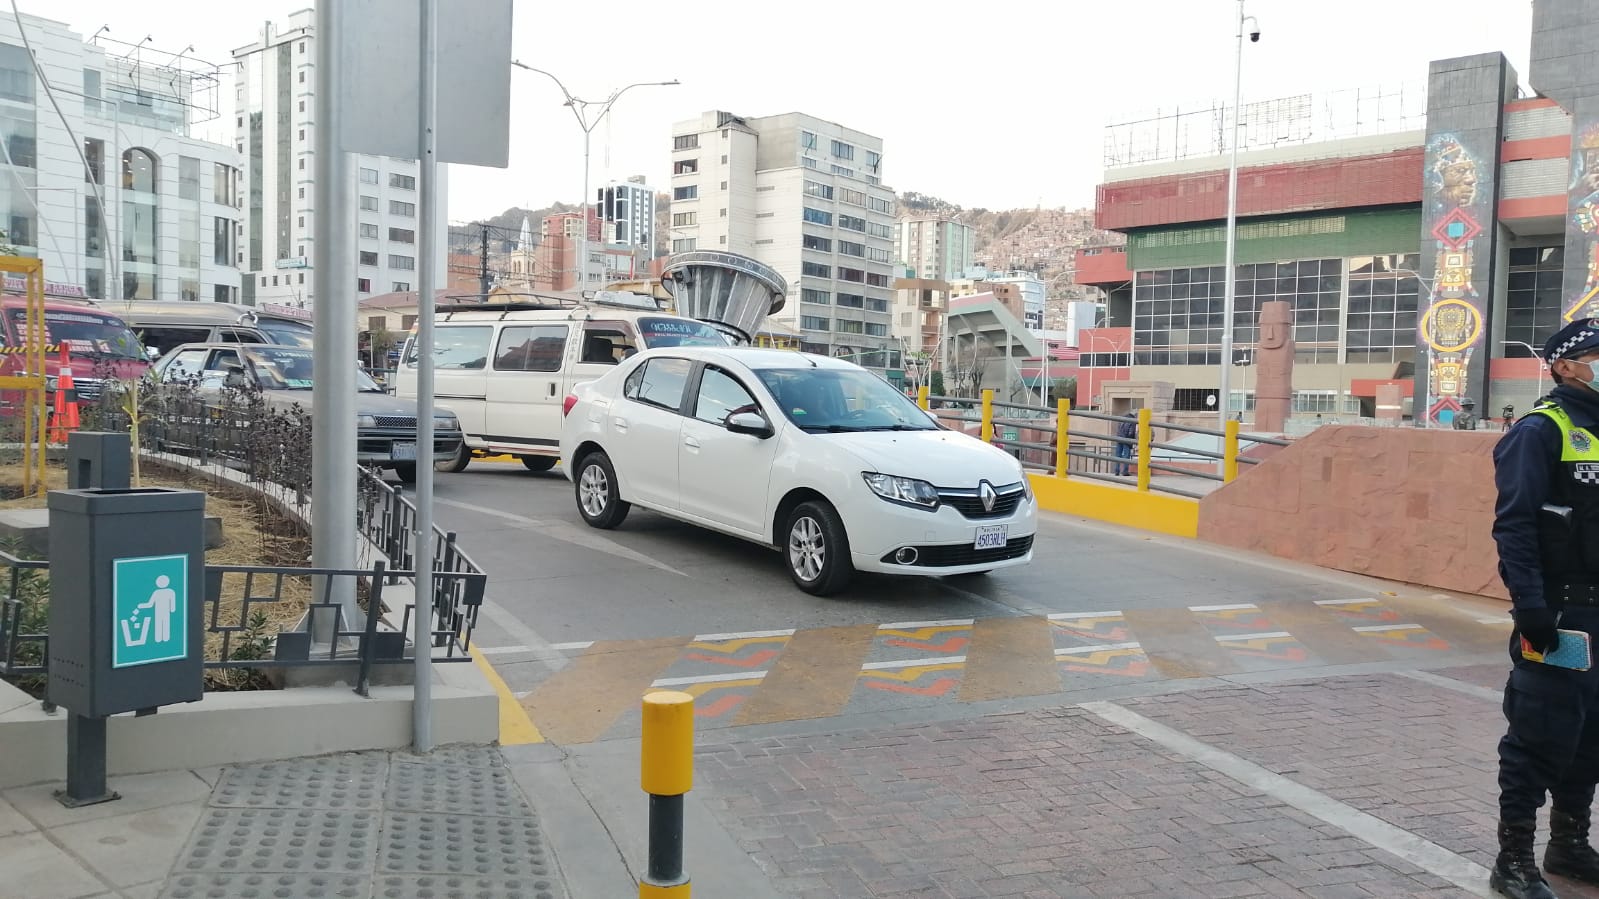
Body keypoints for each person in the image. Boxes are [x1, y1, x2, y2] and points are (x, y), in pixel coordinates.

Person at [1490, 319, 1599, 898]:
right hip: (1559, 614)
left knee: (1592, 737)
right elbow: (1515, 526)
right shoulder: (1540, 430)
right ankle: (1513, 859)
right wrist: (1530, 607)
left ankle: (1570, 843)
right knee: (1541, 735)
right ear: (1564, 365)